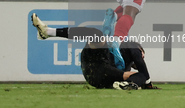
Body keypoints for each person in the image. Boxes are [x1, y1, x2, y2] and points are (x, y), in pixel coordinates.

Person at [31, 13, 159, 90]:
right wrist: (147, 82)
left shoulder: (132, 55)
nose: (141, 57)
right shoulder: (128, 48)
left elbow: (139, 64)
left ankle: (48, 32)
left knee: (140, 76)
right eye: (142, 53)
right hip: (95, 67)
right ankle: (48, 32)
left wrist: (143, 81)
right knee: (95, 34)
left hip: (101, 74)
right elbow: (138, 58)